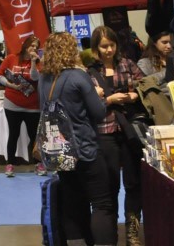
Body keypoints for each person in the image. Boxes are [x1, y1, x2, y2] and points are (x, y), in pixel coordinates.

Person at [38, 32, 115, 246]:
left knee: (73, 205)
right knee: (102, 204)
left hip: (59, 150)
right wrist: (99, 94)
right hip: (85, 149)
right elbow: (98, 113)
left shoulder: (44, 79)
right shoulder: (78, 76)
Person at [88, 26, 146, 246]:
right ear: (96, 48)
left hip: (130, 129)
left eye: (111, 45)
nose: (109, 50)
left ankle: (132, 233)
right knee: (109, 187)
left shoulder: (128, 64)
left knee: (133, 183)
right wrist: (110, 101)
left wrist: (133, 95)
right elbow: (88, 104)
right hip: (104, 131)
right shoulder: (89, 71)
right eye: (104, 46)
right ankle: (109, 234)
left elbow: (145, 86)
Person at [0, 35, 46, 177]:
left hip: (33, 105)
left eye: (36, 46)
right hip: (12, 103)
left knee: (34, 135)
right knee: (13, 134)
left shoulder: (38, 62)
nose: (34, 48)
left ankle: (38, 163)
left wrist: (33, 62)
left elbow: (35, 77)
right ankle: (10, 164)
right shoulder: (11, 58)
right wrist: (10, 85)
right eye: (32, 45)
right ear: (25, 45)